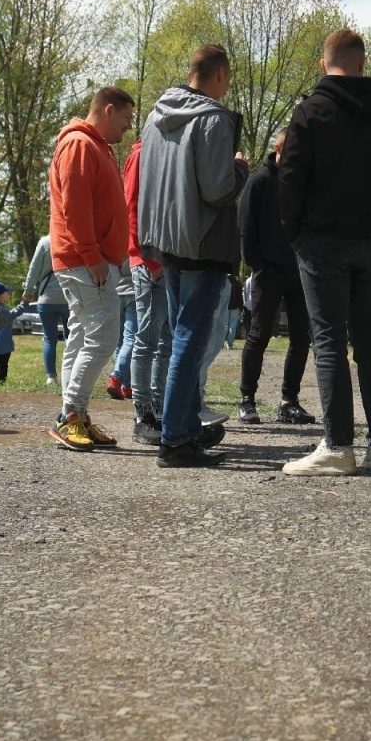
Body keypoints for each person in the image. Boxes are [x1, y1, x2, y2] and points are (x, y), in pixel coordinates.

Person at [279, 29, 371, 476]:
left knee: (329, 343)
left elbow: (290, 182)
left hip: (322, 243)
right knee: (370, 344)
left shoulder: (310, 114)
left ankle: (338, 446)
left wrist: (295, 231)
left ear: (324, 64)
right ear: (361, 64)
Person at [137, 43, 249, 467]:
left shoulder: (155, 116)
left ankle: (180, 428)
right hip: (202, 242)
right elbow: (218, 189)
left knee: (177, 337)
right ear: (220, 74)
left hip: (167, 241)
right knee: (189, 341)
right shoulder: (214, 119)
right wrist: (240, 166)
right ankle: (176, 439)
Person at [46, 86, 134, 451]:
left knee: (83, 338)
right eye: (127, 119)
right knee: (101, 339)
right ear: (109, 110)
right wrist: (93, 256)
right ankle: (69, 416)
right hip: (86, 262)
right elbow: (75, 207)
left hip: (87, 261)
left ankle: (77, 415)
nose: (128, 128)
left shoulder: (94, 146)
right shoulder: (80, 145)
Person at [236, 128, 315, 426]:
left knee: (300, 337)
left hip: (299, 271)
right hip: (267, 272)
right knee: (258, 335)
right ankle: (247, 400)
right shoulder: (258, 182)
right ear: (279, 148)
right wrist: (257, 266)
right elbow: (245, 229)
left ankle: (288, 401)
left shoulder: (302, 184)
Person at [124, 135, 168, 445]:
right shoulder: (141, 155)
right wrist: (150, 262)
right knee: (147, 339)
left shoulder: (168, 154)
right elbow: (130, 209)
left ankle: (162, 408)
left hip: (170, 262)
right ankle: (143, 413)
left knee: (166, 340)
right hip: (149, 262)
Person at [21, 236, 68, 385]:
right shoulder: (70, 239)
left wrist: (28, 290)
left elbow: (34, 269)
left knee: (49, 338)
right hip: (69, 297)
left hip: (46, 298)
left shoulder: (44, 242)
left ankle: (51, 377)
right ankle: (70, 373)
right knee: (71, 337)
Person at [0, 281, 29, 388]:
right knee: (3, 365)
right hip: (4, 346)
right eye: (7, 293)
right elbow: (17, 312)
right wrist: (25, 302)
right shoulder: (6, 311)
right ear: (1, 296)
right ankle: (2, 383)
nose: (9, 295)